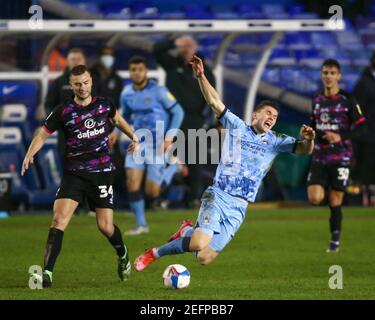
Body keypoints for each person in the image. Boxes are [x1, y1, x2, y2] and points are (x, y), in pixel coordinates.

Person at [133, 55, 315, 271]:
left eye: (275, 116)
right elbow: (213, 101)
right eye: (268, 113)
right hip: (218, 196)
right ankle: (155, 253)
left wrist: (310, 139)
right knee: (199, 244)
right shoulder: (237, 126)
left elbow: (304, 150)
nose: (272, 118)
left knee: (203, 257)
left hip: (240, 207)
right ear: (255, 114)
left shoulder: (276, 140)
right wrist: (201, 76)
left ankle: (186, 232)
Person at [22, 65, 139, 287]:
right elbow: (43, 135)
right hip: (74, 174)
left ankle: (122, 254)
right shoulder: (63, 111)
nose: (82, 87)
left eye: (85, 82)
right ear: (71, 85)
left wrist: (134, 136)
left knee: (105, 227)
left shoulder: (104, 105)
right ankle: (46, 273)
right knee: (58, 220)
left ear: (91, 82)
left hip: (102, 174)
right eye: (77, 84)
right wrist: (29, 154)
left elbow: (118, 120)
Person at [114, 56, 184, 236]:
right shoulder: (126, 93)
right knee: (132, 183)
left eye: (140, 69)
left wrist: (170, 137)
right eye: (133, 70)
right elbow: (124, 117)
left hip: (158, 144)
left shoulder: (159, 91)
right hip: (138, 143)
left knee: (152, 192)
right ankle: (141, 224)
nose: (137, 73)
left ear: (146, 71)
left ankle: (173, 169)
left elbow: (178, 112)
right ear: (130, 72)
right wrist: (114, 133)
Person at [307, 59, 367, 253]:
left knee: (335, 200)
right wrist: (310, 133)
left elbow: (363, 129)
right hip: (319, 156)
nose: (329, 76)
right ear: (321, 75)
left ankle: (335, 240)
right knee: (315, 198)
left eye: (332, 73)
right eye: (325, 73)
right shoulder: (316, 100)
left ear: (339, 76)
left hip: (341, 157)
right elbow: (315, 126)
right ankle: (329, 195)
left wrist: (340, 136)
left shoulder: (348, 100)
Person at [153, 35, 216, 208]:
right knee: (168, 160)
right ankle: (161, 198)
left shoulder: (204, 70)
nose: (187, 50)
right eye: (184, 46)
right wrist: (174, 42)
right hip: (173, 121)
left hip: (195, 120)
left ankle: (194, 198)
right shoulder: (172, 64)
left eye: (190, 46)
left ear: (195, 48)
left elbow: (212, 95)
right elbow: (156, 50)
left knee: (196, 162)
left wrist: (207, 119)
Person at [353, 52, 375, 206]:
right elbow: (356, 108)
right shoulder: (364, 83)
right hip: (367, 136)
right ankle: (362, 198)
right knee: (365, 167)